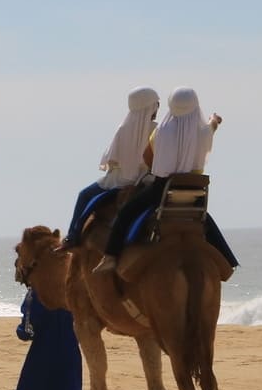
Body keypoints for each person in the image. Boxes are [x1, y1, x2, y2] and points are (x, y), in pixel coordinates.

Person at [92, 87, 230, 274]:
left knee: (127, 212)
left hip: (163, 189)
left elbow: (148, 158)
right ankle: (227, 258)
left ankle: (110, 256)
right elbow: (211, 127)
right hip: (195, 192)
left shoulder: (162, 131)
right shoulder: (203, 130)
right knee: (205, 220)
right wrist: (214, 120)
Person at [62, 87, 158, 249]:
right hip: (148, 182)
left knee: (84, 195)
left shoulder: (123, 129)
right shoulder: (158, 129)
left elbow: (112, 160)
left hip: (118, 181)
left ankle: (72, 237)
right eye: (156, 105)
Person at [2, 288, 84, 390]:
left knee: (34, 387)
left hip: (44, 347)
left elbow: (29, 325)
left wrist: (23, 332)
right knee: (69, 388)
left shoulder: (40, 290)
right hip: (70, 346)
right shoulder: (74, 288)